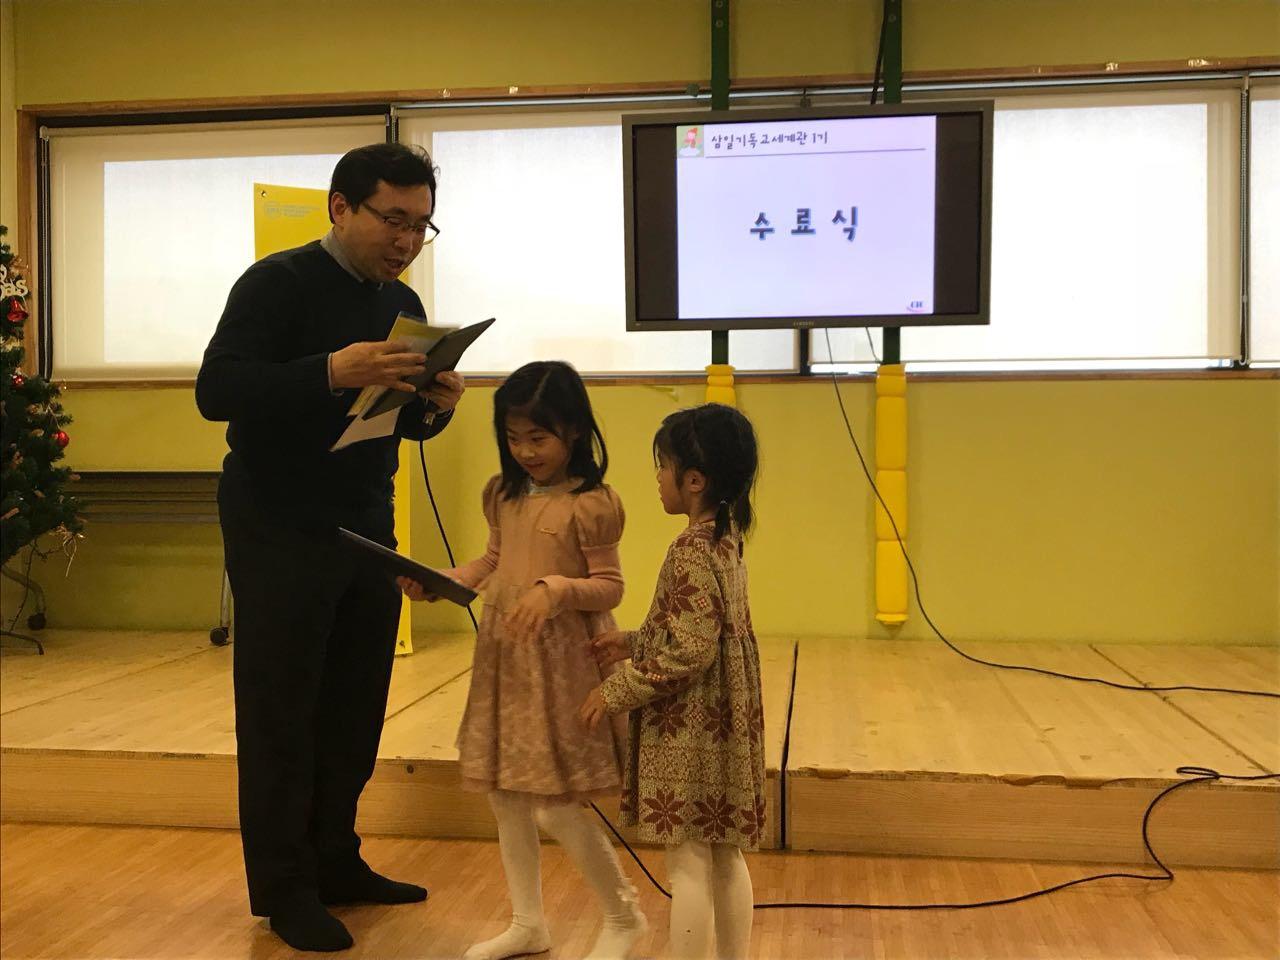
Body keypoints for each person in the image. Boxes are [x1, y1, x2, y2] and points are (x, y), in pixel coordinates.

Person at [195, 142, 464, 952]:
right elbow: (217, 389)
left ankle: (336, 861)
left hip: (366, 517)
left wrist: (434, 405)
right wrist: (328, 371)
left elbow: (392, 421)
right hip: (278, 521)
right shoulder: (275, 283)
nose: (406, 240)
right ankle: (285, 889)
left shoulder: (401, 300)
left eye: (420, 225)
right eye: (393, 220)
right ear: (340, 208)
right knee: (282, 709)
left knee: (354, 701)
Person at [398, 360, 647, 960]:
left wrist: (556, 589)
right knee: (507, 798)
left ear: (575, 431)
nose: (525, 451)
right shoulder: (502, 494)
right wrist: (443, 581)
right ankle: (528, 924)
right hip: (507, 663)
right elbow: (491, 562)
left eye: (539, 437)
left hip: (564, 667)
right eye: (513, 438)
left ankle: (623, 915)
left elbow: (610, 587)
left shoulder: (593, 503)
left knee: (558, 806)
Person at [580, 403, 765, 960]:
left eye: (663, 466)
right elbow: (702, 628)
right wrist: (632, 641)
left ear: (694, 480)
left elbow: (688, 651)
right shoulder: (725, 539)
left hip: (689, 733)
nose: (657, 478)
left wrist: (614, 689)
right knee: (725, 854)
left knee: (686, 863)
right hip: (726, 728)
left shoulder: (688, 549)